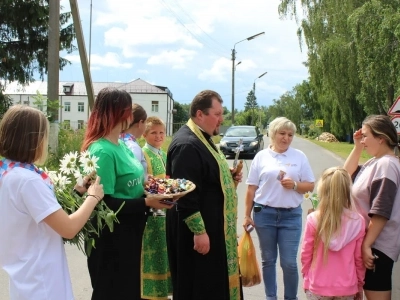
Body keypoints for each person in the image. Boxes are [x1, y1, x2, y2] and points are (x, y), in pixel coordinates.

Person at [0, 105, 104, 300]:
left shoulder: (8, 173)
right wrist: (93, 197)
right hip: (42, 282)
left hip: (25, 277)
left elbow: (43, 215)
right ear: (33, 139)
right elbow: (68, 228)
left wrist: (77, 191)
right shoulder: (28, 181)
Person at [81, 87, 174, 300]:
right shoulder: (102, 151)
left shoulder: (121, 144)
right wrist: (147, 203)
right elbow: (104, 204)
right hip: (111, 240)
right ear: (116, 113)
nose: (131, 116)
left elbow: (131, 184)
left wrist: (150, 188)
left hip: (130, 232)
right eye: (126, 110)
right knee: (113, 291)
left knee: (130, 290)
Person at [166, 90, 243, 300]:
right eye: (217, 114)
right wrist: (199, 232)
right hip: (197, 234)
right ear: (200, 114)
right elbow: (185, 193)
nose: (221, 119)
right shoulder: (187, 145)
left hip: (213, 230)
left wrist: (227, 178)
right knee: (200, 287)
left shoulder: (203, 138)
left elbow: (204, 177)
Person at [243, 116, 315, 300]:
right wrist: (246, 215)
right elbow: (251, 188)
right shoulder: (261, 156)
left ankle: (291, 298)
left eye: (290, 135)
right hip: (264, 214)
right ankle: (271, 297)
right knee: (268, 261)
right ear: (272, 134)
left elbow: (310, 185)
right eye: (282, 133)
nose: (286, 138)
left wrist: (296, 185)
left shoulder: (299, 156)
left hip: (291, 216)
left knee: (289, 263)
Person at [344, 115, 400, 300]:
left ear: (381, 138)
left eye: (365, 136)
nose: (362, 139)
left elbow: (381, 210)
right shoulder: (375, 162)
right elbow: (345, 176)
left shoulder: (387, 165)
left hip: (377, 246)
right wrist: (357, 147)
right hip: (369, 242)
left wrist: (367, 245)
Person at [301, 167, 365, 300]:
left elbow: (306, 254)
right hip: (347, 287)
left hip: (318, 286)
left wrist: (306, 278)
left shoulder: (313, 219)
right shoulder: (358, 221)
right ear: (347, 192)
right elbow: (358, 258)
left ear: (322, 190)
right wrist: (359, 284)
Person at [140, 116, 172, 299]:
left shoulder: (163, 153)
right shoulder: (144, 154)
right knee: (155, 246)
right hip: (154, 210)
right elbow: (145, 184)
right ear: (144, 134)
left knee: (164, 247)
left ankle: (163, 291)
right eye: (154, 133)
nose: (159, 136)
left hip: (166, 206)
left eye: (161, 132)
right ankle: (152, 293)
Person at [119, 103, 148, 178]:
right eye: (145, 123)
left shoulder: (117, 139)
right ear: (140, 123)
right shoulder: (133, 146)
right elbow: (133, 176)